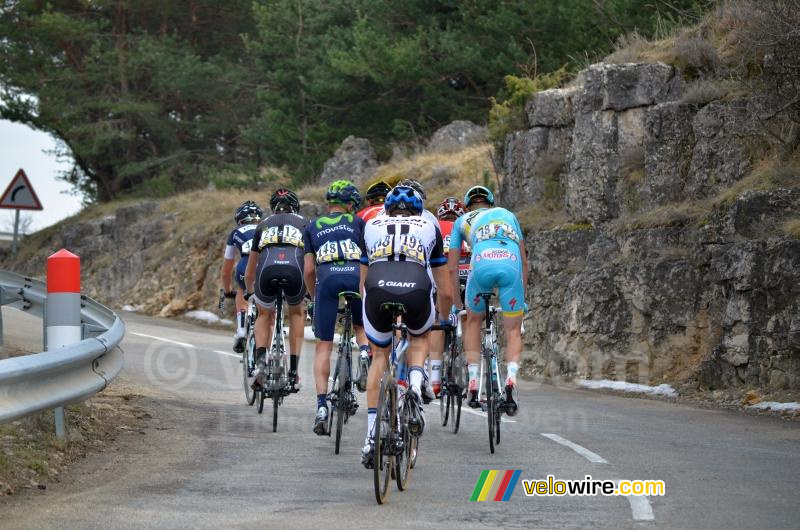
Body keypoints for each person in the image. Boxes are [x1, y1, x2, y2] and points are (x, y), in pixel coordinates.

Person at [358, 185, 452, 468]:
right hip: (416, 288)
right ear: (419, 208)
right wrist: (443, 320)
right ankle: (414, 384)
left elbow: (362, 282)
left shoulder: (371, 223)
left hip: (377, 288)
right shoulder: (429, 223)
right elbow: (444, 288)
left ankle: (371, 436)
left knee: (379, 357)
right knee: (420, 336)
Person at [447, 185, 527, 416]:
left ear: (468, 206)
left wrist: (458, 303)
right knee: (513, 331)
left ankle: (473, 385)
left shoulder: (461, 220)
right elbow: (524, 261)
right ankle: (510, 382)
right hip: (510, 264)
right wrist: (523, 298)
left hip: (481, 263)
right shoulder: (508, 215)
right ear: (491, 204)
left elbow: (452, 268)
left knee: (472, 321)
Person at [303, 180, 371, 435]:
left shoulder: (312, 226)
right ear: (351, 203)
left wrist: (313, 298)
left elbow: (309, 269)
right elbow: (369, 258)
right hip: (356, 276)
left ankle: (322, 405)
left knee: (324, 344)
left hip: (327, 278)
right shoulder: (358, 223)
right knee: (360, 326)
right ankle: (364, 352)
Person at [244, 188, 308, 392]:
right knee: (297, 312)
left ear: (273, 207)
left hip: (267, 270)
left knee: (264, 313)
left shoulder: (262, 224)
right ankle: (293, 372)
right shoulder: (305, 223)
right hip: (295, 270)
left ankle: (261, 361)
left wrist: (249, 292)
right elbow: (310, 262)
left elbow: (250, 268)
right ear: (295, 206)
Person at [428, 197, 468, 396]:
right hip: (466, 276)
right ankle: (473, 374)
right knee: (471, 319)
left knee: (438, 322)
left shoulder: (434, 227)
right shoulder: (466, 227)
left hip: (439, 277)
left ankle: (434, 379)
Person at [219, 201, 262, 353]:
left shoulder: (235, 233)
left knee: (241, 292)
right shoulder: (267, 228)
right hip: (266, 267)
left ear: (239, 220)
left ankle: (242, 330)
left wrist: (227, 290)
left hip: (245, 266)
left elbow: (226, 270)